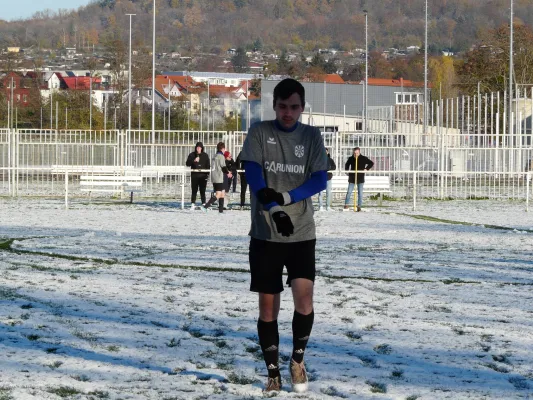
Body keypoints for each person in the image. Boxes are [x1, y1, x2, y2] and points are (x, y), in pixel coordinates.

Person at [240, 78, 327, 393]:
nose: (288, 112)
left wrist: (287, 199)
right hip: (265, 236)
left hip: (302, 233)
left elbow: (320, 180)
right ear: (274, 106)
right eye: (282, 106)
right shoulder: (260, 133)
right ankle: (273, 372)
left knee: (304, 301)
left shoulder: (311, 135)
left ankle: (298, 362)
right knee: (268, 308)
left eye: (294, 107)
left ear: (302, 108)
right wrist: (268, 200)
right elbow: (252, 172)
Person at [201, 142, 232, 213]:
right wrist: (228, 173)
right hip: (219, 177)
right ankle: (205, 206)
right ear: (223, 149)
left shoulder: (214, 156)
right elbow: (223, 167)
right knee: (218, 194)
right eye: (224, 149)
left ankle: (220, 211)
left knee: (222, 193)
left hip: (214, 177)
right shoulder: (221, 156)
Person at [344, 147, 374, 212]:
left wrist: (366, 169)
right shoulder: (351, 158)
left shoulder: (363, 158)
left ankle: (359, 206)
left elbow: (371, 163)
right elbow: (347, 164)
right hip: (352, 178)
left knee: (360, 193)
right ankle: (346, 204)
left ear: (359, 152)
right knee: (349, 192)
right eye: (354, 153)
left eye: (357, 153)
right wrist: (347, 171)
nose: (356, 154)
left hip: (360, 178)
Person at [185, 142, 210, 210]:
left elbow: (208, 166)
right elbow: (187, 163)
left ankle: (204, 203)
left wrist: (207, 175)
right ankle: (193, 203)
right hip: (194, 175)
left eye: (199, 147)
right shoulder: (192, 155)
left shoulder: (205, 155)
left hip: (203, 176)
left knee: (202, 190)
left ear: (202, 148)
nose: (198, 149)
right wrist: (194, 160)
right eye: (197, 147)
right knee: (194, 190)